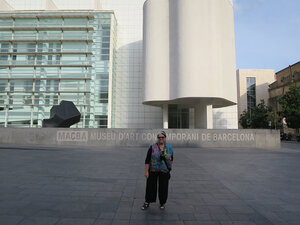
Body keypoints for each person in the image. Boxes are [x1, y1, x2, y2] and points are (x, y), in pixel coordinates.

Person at [141, 131, 173, 210]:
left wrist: (169, 168)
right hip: (153, 170)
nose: (161, 139)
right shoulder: (152, 147)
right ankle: (147, 202)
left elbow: (171, 159)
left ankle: (162, 203)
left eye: (162, 137)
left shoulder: (169, 147)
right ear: (157, 138)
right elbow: (147, 160)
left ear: (165, 138)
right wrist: (146, 171)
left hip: (164, 170)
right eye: (159, 137)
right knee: (150, 186)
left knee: (163, 187)